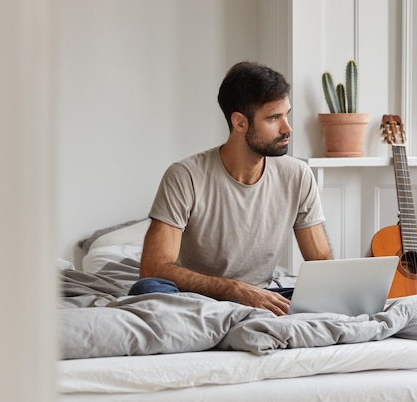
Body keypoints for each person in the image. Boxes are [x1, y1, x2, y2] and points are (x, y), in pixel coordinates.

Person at [130, 61, 333, 316]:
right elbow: (154, 268)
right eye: (273, 118)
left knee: (314, 297)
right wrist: (236, 289)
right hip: (198, 298)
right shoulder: (185, 176)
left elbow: (322, 263)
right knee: (147, 288)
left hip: (264, 296)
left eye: (286, 114)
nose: (287, 128)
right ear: (239, 122)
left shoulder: (298, 175)